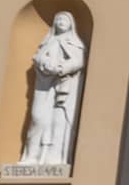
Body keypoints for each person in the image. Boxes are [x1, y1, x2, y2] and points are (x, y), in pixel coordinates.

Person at [19, 11, 86, 167]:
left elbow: (78, 60)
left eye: (65, 19)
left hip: (65, 86)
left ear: (71, 24)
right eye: (59, 19)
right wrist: (46, 65)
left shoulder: (75, 43)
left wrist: (61, 68)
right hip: (44, 84)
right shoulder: (48, 41)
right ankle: (31, 156)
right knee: (38, 118)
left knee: (59, 121)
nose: (61, 21)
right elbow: (38, 58)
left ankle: (54, 158)